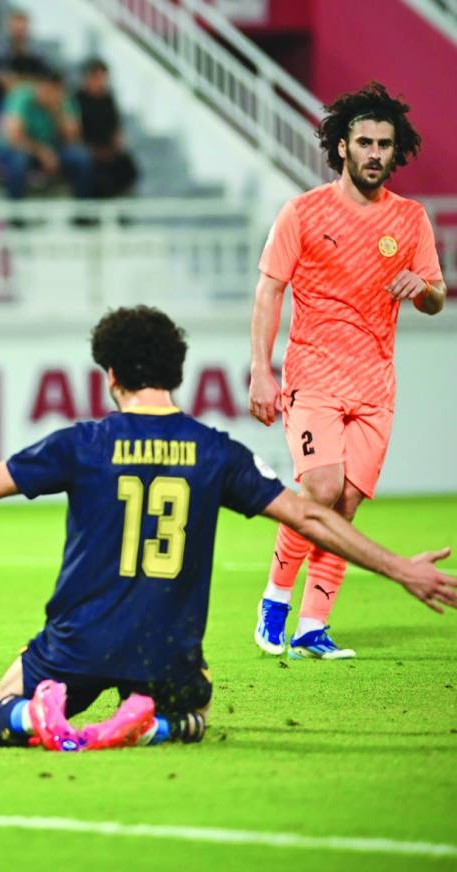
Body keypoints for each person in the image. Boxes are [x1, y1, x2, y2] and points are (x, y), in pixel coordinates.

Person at [0, 306, 456, 752]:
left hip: (75, 645)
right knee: (198, 712)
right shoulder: (216, 451)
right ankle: (155, 728)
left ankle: (42, 716)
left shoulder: (83, 442)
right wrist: (403, 570)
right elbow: (312, 516)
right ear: (175, 373)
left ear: (110, 375)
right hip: (165, 653)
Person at [248, 81, 447, 660]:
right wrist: (262, 371)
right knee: (321, 487)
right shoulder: (303, 212)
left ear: (396, 149)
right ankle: (276, 598)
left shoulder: (410, 221)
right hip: (313, 373)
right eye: (364, 142)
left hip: (376, 384)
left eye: (385, 143)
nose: (375, 153)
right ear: (341, 147)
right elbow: (269, 290)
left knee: (347, 506)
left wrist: (424, 290)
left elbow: (435, 297)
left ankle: (313, 625)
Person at [0, 65, 91, 200]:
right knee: (18, 161)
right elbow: (13, 137)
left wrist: (55, 111)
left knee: (81, 158)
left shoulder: (63, 100)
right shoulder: (21, 96)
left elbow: (72, 138)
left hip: (53, 150)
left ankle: (81, 214)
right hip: (17, 149)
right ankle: (16, 216)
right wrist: (41, 152)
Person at [75, 57, 137, 199]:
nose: (100, 82)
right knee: (99, 178)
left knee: (128, 169)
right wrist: (93, 151)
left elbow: (115, 128)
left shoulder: (108, 100)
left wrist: (115, 147)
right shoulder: (77, 100)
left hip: (108, 149)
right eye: (96, 77)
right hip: (88, 150)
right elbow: (74, 131)